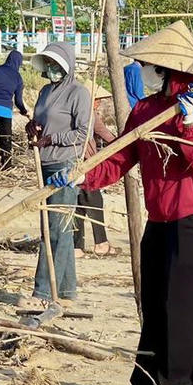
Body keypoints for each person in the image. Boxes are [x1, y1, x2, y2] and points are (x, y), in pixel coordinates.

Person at [77, 21, 193, 385]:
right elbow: (122, 157)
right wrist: (84, 175)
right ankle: (151, 379)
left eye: (146, 66)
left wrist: (190, 123)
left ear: (165, 69)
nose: (141, 71)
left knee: (187, 303)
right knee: (156, 297)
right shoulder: (144, 110)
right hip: (160, 215)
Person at [27, 41, 90, 303]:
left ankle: (43, 291)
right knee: (54, 227)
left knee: (56, 229)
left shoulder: (79, 93)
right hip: (44, 164)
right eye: (48, 64)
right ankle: (66, 290)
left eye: (55, 64)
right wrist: (33, 128)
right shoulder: (45, 91)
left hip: (65, 166)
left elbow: (83, 133)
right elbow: (40, 121)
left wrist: (53, 139)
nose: (51, 68)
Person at [74, 84, 118, 258]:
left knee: (77, 204)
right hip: (86, 163)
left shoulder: (73, 110)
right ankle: (101, 244)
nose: (98, 104)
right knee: (94, 202)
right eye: (97, 100)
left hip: (72, 162)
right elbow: (106, 135)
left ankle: (76, 247)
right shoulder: (89, 114)